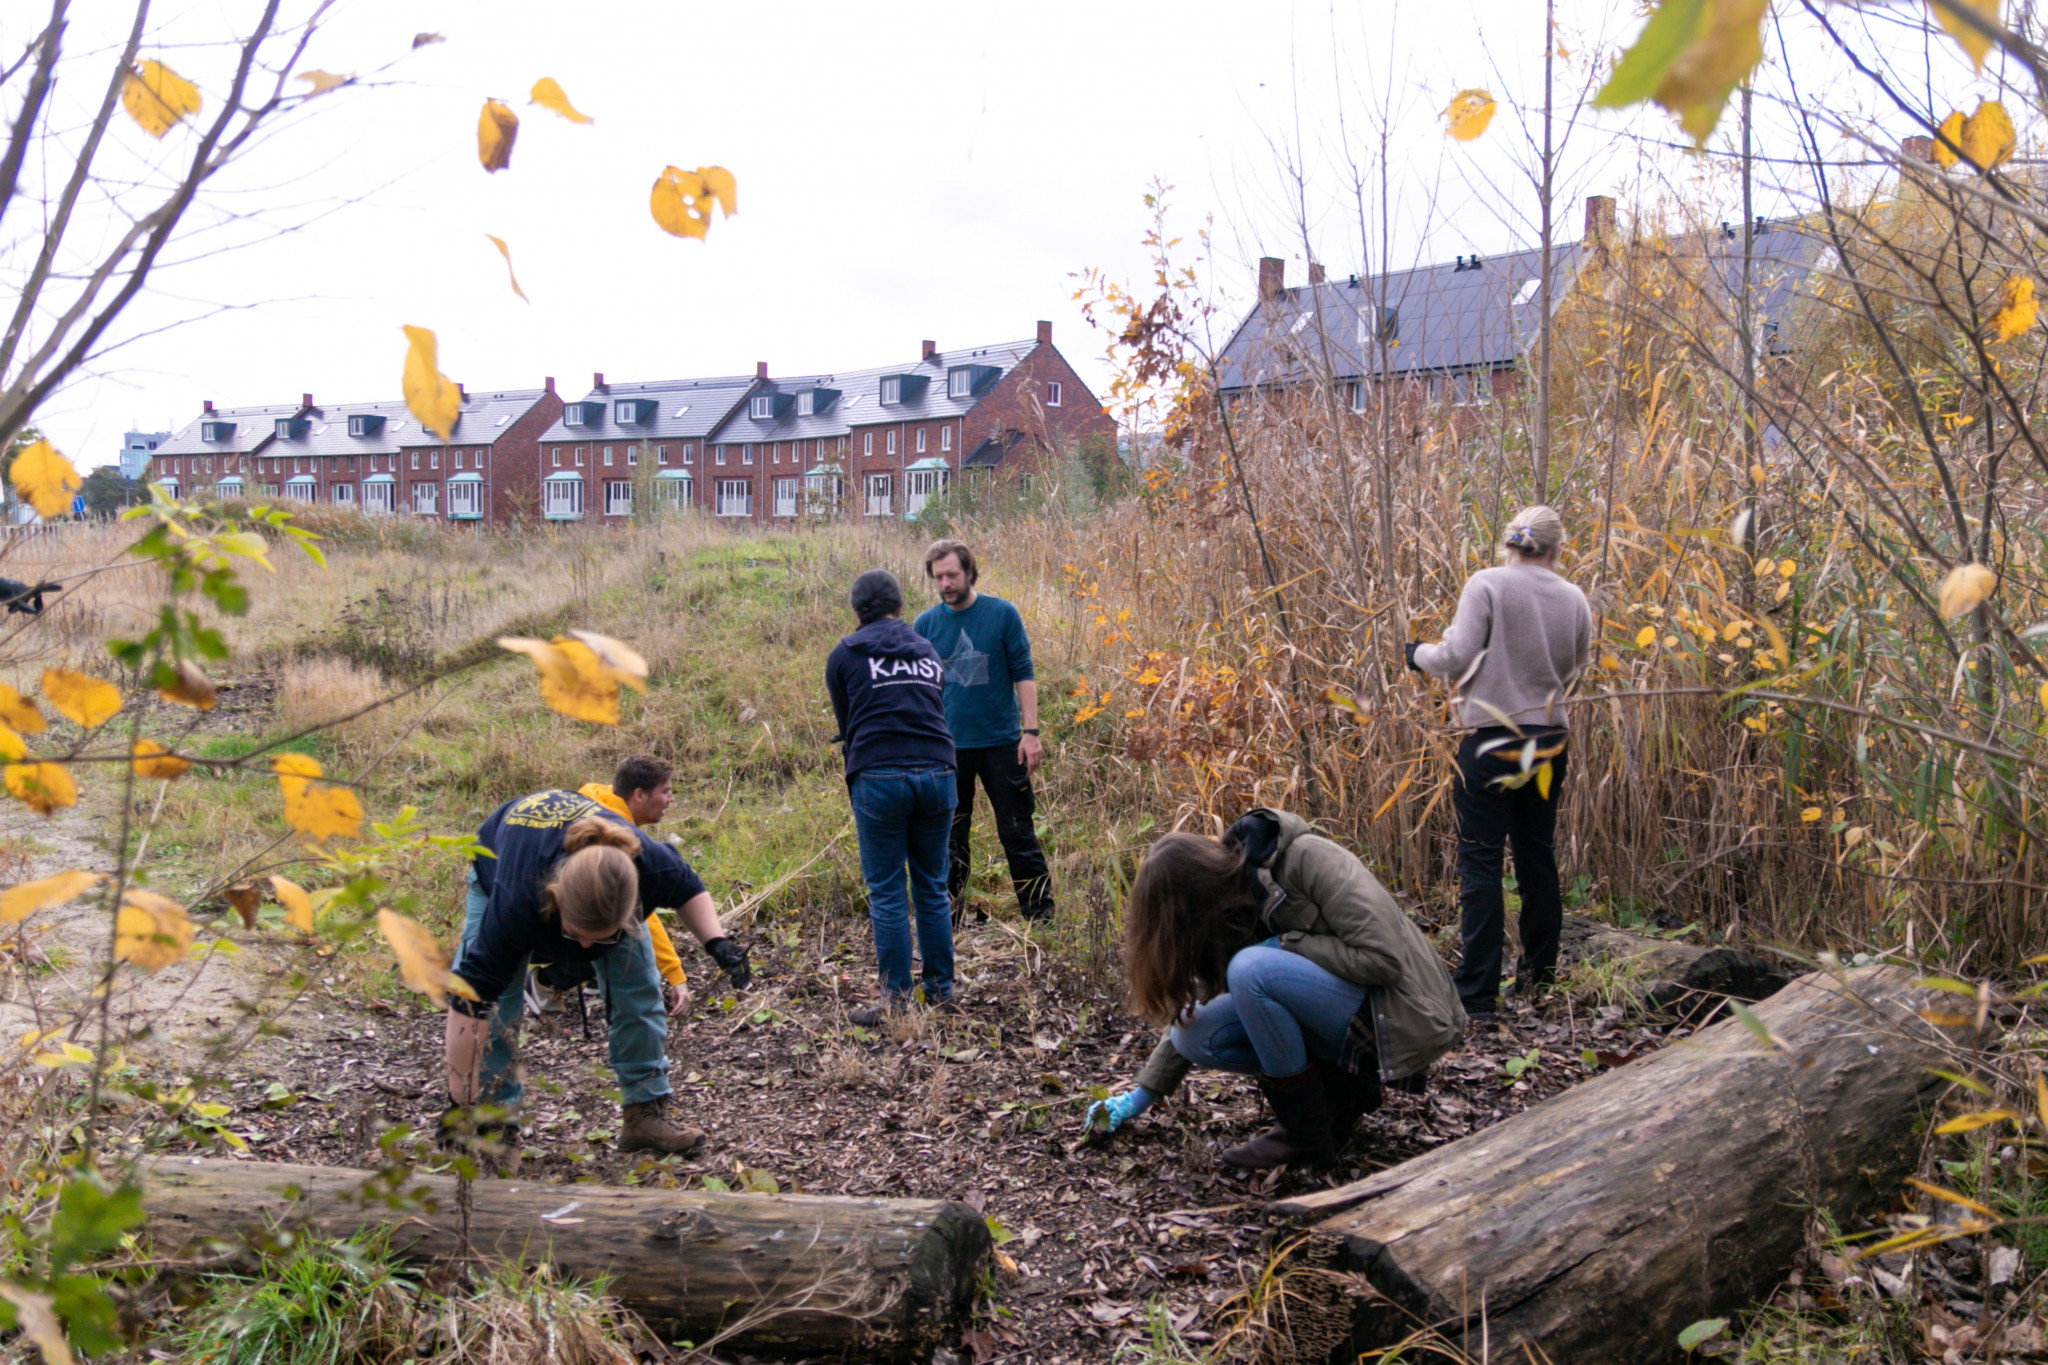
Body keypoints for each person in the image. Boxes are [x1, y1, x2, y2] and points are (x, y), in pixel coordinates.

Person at [1083, 810, 1465, 1168]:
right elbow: (1199, 1000)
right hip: (1351, 1017)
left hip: (1405, 1012)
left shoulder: (1306, 859)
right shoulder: (1229, 908)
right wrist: (1142, 1094)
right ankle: (1340, 1097)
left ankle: (1305, 1134)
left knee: (1252, 970)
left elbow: (1383, 959)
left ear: (1201, 891)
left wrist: (1285, 945)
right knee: (1193, 1032)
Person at [443, 789, 712, 1154]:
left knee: (638, 987)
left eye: (601, 938)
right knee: (500, 998)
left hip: (601, 885)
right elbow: (470, 1003)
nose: (585, 951)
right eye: (577, 936)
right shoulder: (515, 904)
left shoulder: (648, 863)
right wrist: (462, 1100)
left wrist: (718, 944)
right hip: (500, 862)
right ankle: (493, 1121)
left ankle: (643, 1114)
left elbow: (689, 888)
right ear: (556, 905)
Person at [1408, 505, 1593, 1024]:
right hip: (1550, 741)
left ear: (1510, 543)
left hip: (1491, 738)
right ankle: (1539, 979)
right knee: (1537, 857)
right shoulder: (1575, 598)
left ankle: (1479, 994)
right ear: (1559, 546)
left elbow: (1455, 656)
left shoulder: (1486, 584)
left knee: (1481, 860)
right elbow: (1577, 665)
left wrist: (1417, 652)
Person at [826, 569, 958, 1025]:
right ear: (900, 608)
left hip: (879, 775)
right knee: (932, 887)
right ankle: (941, 991)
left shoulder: (844, 654)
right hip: (939, 772)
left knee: (886, 892)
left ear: (857, 611)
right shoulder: (928, 651)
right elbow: (937, 704)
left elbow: (848, 726)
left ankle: (896, 1002)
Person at [913, 539, 1053, 924]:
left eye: (952, 575)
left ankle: (1040, 917)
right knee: (948, 839)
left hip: (1002, 745)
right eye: (938, 576)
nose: (945, 583)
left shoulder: (1002, 614)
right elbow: (920, 689)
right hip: (946, 750)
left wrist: (1031, 732)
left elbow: (1024, 673)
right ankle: (949, 919)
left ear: (970, 572)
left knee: (1018, 832)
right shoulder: (924, 625)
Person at [571, 753, 751, 993]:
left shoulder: (600, 799)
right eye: (665, 791)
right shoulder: (611, 838)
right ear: (638, 795)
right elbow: (641, 915)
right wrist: (675, 973)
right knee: (619, 938)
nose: (672, 799)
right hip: (555, 922)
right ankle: (547, 980)